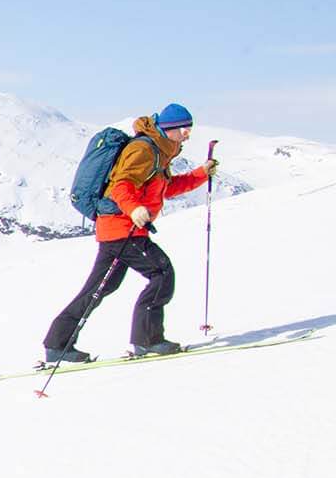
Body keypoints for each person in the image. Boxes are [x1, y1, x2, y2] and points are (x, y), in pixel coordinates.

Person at [42, 104, 217, 362]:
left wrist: (201, 174)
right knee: (161, 272)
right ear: (169, 129)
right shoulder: (144, 150)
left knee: (100, 287)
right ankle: (148, 340)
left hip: (120, 229)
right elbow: (121, 186)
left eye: (189, 129)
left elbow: (164, 188)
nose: (187, 134)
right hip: (123, 228)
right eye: (184, 129)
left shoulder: (160, 151)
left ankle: (57, 344)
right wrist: (134, 209)